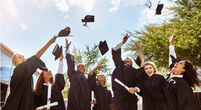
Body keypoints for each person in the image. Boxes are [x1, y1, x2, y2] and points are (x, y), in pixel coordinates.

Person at [2, 36, 57, 110]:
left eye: (23, 56)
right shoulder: (20, 70)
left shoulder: (23, 73)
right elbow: (37, 56)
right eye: (19, 57)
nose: (23, 57)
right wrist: (49, 43)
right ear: (15, 63)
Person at [166, 34, 200, 110]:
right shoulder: (171, 79)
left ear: (184, 70)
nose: (176, 63)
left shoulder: (181, 84)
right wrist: (171, 45)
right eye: (176, 63)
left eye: (180, 63)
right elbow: (172, 60)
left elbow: (186, 106)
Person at [111, 34, 144, 110]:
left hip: (131, 99)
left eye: (129, 58)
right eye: (126, 58)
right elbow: (115, 51)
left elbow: (142, 69)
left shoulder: (135, 71)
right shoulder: (120, 65)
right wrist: (123, 42)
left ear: (132, 62)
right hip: (119, 100)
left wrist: (135, 89)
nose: (127, 57)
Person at [65, 38, 91, 110]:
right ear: (76, 69)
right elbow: (70, 63)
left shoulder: (87, 79)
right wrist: (67, 48)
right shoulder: (73, 74)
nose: (81, 67)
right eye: (79, 66)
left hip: (85, 104)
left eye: (83, 66)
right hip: (75, 102)